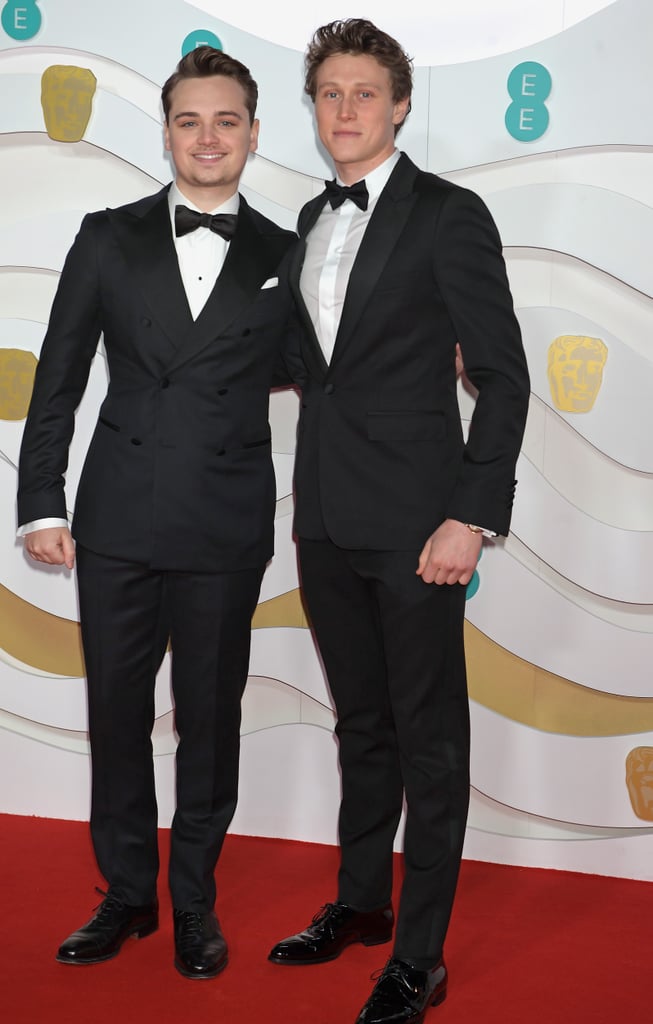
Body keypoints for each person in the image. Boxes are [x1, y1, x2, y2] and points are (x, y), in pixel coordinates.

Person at [268, 19, 530, 1024]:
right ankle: (360, 904)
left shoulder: (448, 215)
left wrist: (471, 515)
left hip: (421, 525)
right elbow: (304, 364)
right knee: (360, 724)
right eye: (328, 92)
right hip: (326, 519)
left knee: (429, 741)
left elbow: (500, 379)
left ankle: (418, 955)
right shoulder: (305, 218)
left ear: (400, 104)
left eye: (363, 93)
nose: (344, 110)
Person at [17, 46, 296, 980]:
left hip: (224, 519)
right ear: (168, 130)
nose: (207, 137)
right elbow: (56, 378)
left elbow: (330, 372)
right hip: (117, 517)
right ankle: (129, 894)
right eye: (189, 119)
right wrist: (38, 503)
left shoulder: (286, 254)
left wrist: (434, 355)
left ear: (253, 134)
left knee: (209, 720)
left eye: (226, 121)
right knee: (116, 714)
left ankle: (194, 903)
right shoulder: (107, 236)